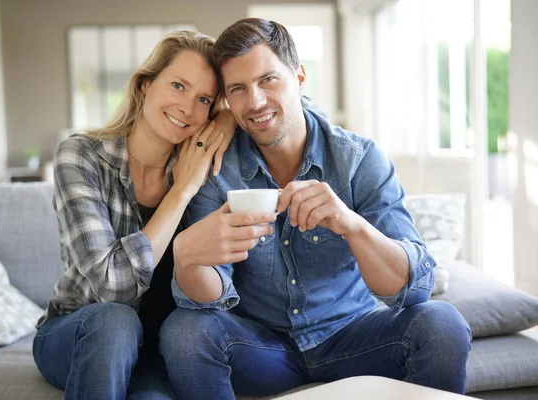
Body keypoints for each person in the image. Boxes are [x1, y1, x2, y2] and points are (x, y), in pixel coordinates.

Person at [159, 18, 472, 400]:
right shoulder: (217, 170)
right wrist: (189, 262)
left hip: (353, 339)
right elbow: (208, 298)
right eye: (238, 89)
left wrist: (352, 226)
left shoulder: (358, 161)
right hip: (262, 349)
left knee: (442, 324)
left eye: (268, 80)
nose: (255, 102)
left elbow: (411, 290)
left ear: (300, 77)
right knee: (183, 331)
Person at [32, 30, 238, 400]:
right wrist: (181, 191)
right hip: (81, 330)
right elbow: (114, 288)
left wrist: (228, 119)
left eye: (203, 99)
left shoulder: (203, 157)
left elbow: (282, 104)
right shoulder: (81, 157)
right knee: (115, 320)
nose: (187, 109)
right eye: (177, 86)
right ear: (144, 85)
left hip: (157, 348)